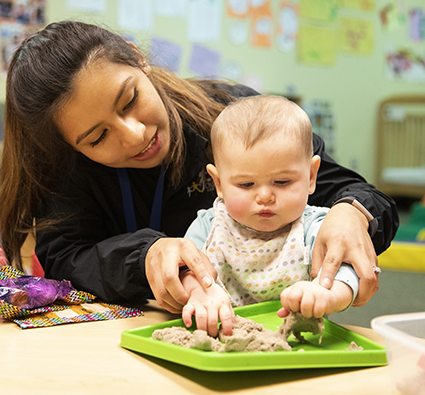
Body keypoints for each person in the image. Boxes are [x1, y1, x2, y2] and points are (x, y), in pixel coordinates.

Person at [0, 20, 398, 314]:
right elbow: (65, 258)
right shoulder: (66, 166)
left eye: (130, 100)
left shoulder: (231, 114)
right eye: (98, 137)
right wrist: (143, 256)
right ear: (70, 144)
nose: (135, 134)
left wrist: (352, 213)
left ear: (137, 58)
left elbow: (351, 191)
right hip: (140, 334)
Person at [181, 95, 358, 336]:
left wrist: (329, 293)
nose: (265, 196)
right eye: (246, 184)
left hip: (297, 341)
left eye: (282, 181)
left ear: (311, 176)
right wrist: (196, 291)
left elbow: (346, 272)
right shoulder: (209, 226)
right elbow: (186, 271)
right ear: (219, 183)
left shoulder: (315, 226)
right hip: (222, 337)